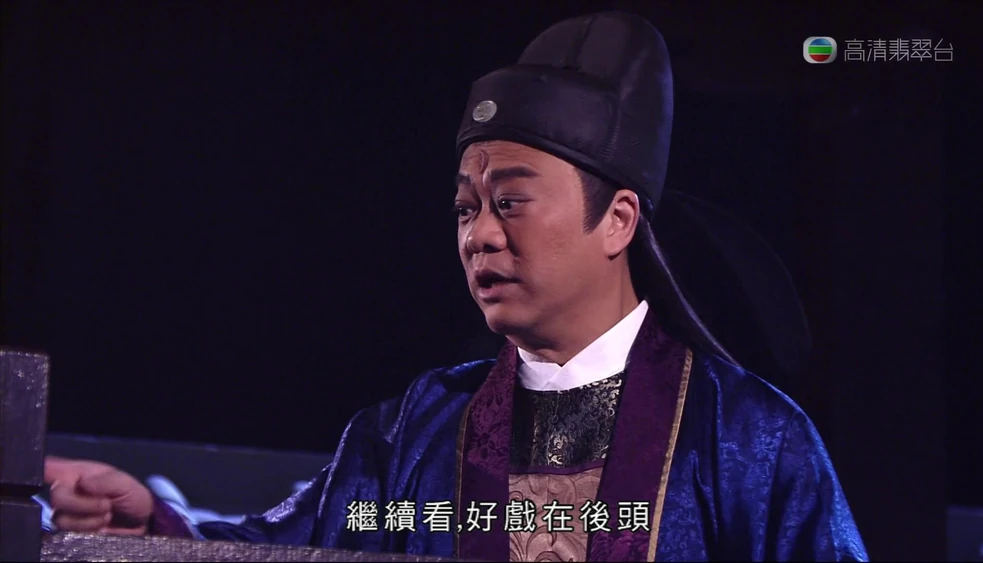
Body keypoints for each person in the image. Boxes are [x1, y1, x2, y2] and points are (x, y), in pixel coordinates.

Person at [42, 11, 869, 562]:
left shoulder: (748, 439)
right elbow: (284, 550)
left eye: (510, 202)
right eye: (466, 207)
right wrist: (149, 526)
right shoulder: (415, 429)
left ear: (618, 220)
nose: (479, 234)